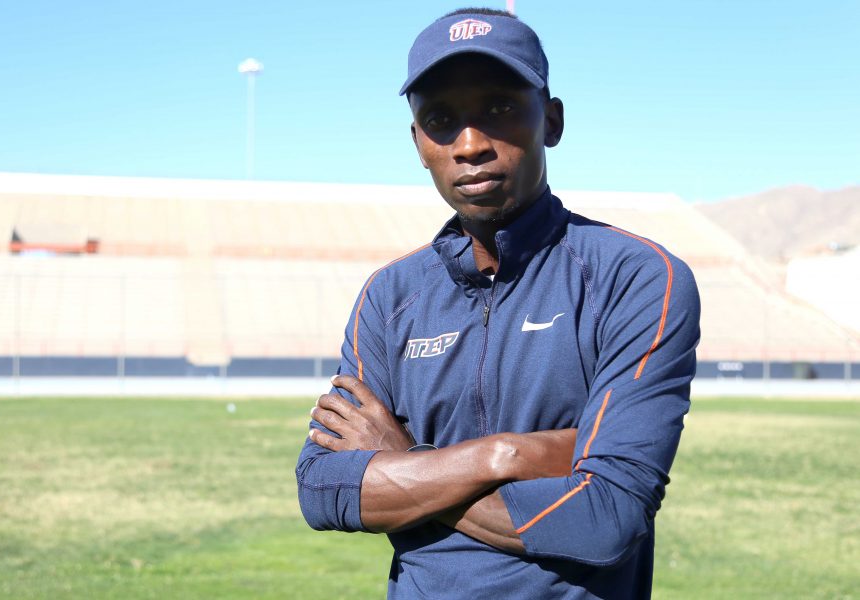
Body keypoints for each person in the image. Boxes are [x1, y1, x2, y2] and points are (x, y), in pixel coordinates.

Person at [296, 7, 700, 599]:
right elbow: (324, 490)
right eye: (440, 120)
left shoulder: (636, 276)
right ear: (417, 143)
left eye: (500, 108)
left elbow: (608, 518)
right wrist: (506, 457)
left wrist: (406, 464)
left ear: (552, 120)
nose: (470, 144)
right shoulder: (391, 296)